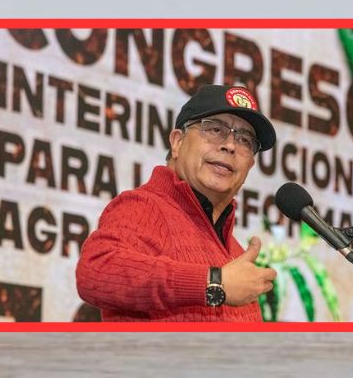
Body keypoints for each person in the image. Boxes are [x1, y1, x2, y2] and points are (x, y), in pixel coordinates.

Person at [75, 84, 278, 322]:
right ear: (177, 142)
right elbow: (96, 271)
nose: (230, 145)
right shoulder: (144, 206)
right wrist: (213, 283)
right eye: (215, 129)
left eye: (245, 140)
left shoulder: (236, 254)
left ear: (250, 165)